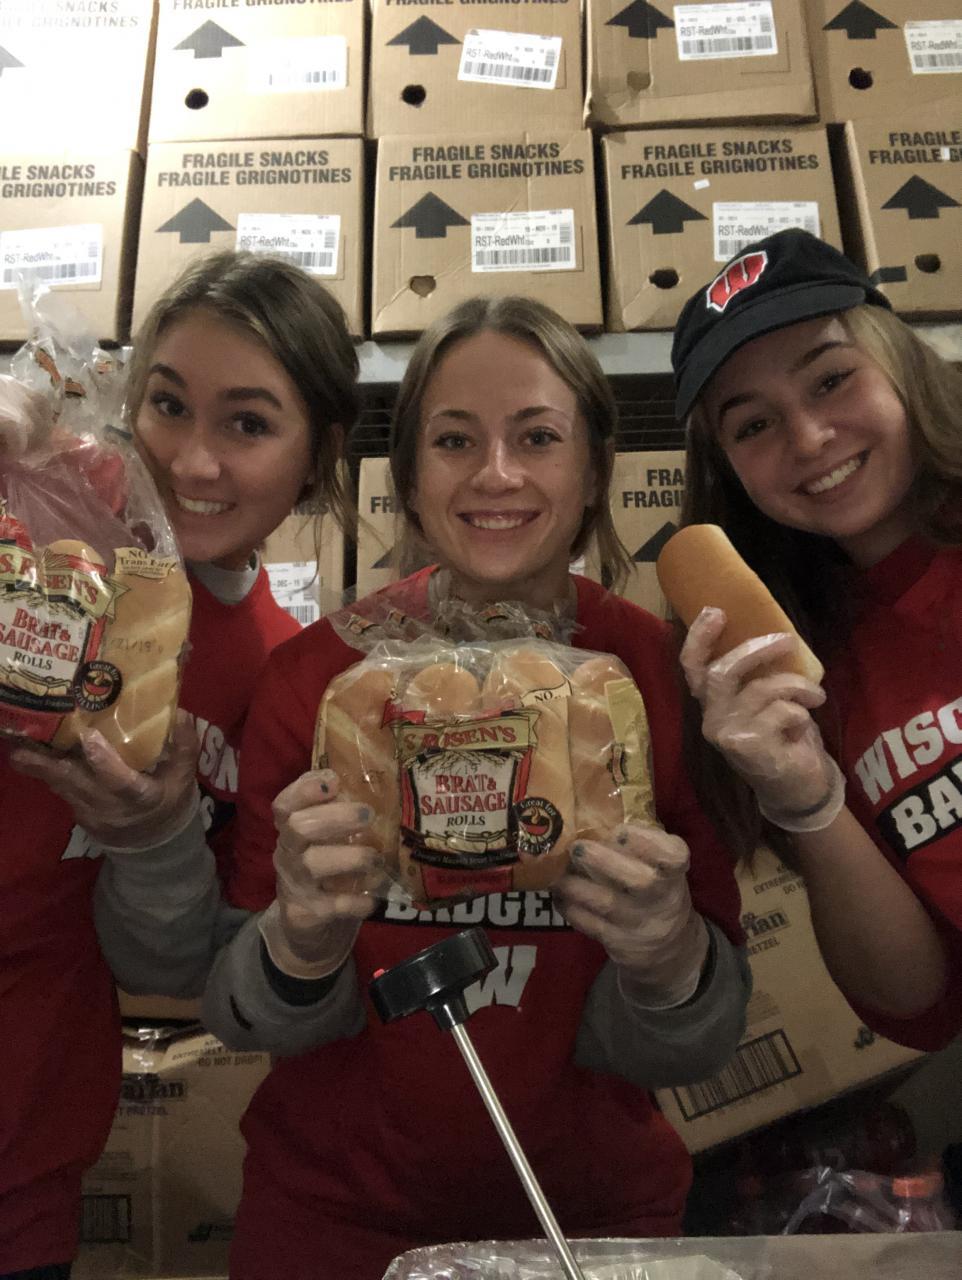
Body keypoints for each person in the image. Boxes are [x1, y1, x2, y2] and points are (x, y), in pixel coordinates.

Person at [83, 294, 750, 1278]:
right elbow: (240, 1011)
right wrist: (298, 943)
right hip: (329, 1227)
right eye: (453, 439)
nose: (495, 473)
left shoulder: (651, 676)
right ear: (404, 472)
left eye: (537, 437)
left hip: (587, 1226)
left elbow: (696, 1042)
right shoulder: (319, 684)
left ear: (594, 468)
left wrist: (667, 958)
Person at [1, 251, 358, 1278]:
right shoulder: (42, 520)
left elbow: (176, 961)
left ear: (319, 455)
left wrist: (151, 837)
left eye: (247, 423)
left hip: (24, 1152)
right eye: (167, 406)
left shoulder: (286, 679)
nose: (192, 463)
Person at [670, 227, 962, 1052]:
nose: (807, 438)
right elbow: (916, 1005)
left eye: (831, 379)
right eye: (753, 425)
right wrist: (805, 796)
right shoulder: (791, 677)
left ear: (898, 362)